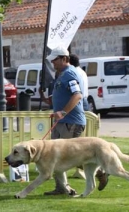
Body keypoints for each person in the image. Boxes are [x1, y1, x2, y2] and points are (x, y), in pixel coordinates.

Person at [40, 46, 102, 196]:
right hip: (62, 121)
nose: (53, 63)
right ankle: (61, 187)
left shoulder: (70, 74)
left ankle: (101, 173)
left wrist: (63, 111)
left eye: (55, 60)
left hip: (71, 122)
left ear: (64, 59)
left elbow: (77, 95)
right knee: (54, 155)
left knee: (70, 156)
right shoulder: (61, 74)